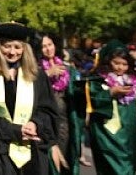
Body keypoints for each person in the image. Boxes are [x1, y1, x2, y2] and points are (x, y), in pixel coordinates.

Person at [0, 22, 60, 174]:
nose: (12, 52)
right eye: (7, 46)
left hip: (32, 151)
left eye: (18, 47)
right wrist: (15, 131)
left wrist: (35, 123)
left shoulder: (36, 75)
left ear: (25, 49)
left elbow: (47, 109)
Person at [86, 40, 136, 175]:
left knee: (129, 168)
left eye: (124, 64)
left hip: (132, 136)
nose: (120, 68)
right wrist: (111, 93)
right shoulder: (98, 80)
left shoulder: (133, 80)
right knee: (116, 170)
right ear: (108, 61)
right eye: (116, 63)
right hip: (108, 136)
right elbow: (92, 101)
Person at [38, 33, 85, 175]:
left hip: (64, 121)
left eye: (50, 45)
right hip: (45, 121)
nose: (48, 49)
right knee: (49, 159)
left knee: (64, 156)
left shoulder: (67, 68)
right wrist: (46, 74)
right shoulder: (35, 68)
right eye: (43, 46)